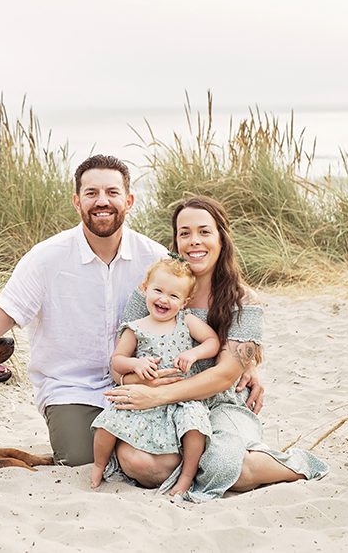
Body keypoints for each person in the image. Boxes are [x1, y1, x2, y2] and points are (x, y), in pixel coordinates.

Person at [0, 156, 266, 466]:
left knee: (153, 452)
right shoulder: (46, 259)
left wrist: (246, 361)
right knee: (85, 457)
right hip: (71, 389)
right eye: (91, 193)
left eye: (112, 193)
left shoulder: (154, 259)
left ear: (130, 200)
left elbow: (209, 296)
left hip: (139, 382)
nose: (101, 201)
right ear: (77, 201)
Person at [103, 196, 328, 500]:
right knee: (139, 463)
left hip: (221, 402)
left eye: (204, 232)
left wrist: (158, 393)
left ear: (222, 237)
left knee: (222, 466)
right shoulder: (152, 291)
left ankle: (290, 464)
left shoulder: (243, 301)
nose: (194, 241)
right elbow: (120, 361)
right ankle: (204, 462)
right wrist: (136, 384)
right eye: (185, 233)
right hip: (159, 402)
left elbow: (225, 375)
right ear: (176, 241)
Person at [89, 256, 220, 495]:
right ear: (145, 288)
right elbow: (117, 360)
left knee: (195, 426)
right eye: (158, 290)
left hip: (180, 398)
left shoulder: (186, 321)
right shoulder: (135, 327)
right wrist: (136, 364)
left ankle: (186, 477)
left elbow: (212, 341)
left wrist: (193, 354)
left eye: (174, 296)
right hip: (144, 393)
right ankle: (99, 465)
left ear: (184, 302)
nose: (163, 299)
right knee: (107, 422)